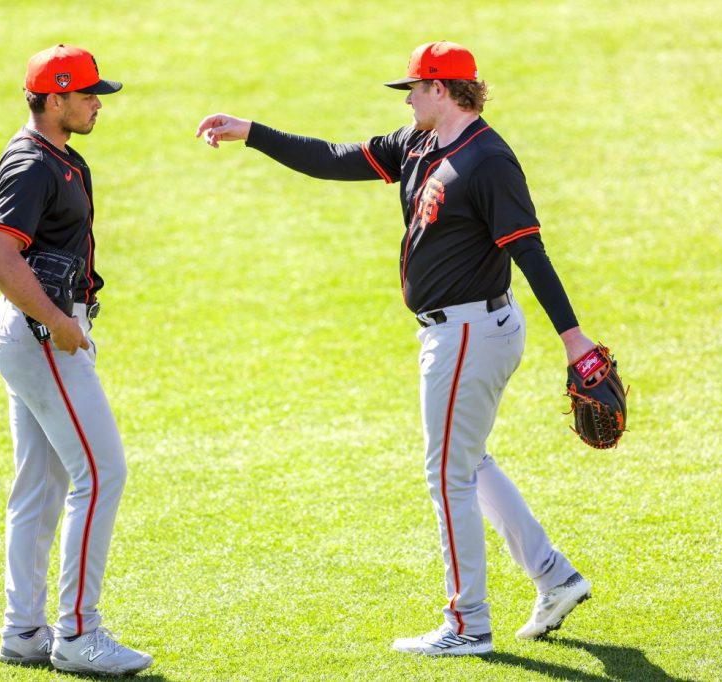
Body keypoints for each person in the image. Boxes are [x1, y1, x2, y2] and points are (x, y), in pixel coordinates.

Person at [196, 41, 595, 656]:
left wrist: (573, 341)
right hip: (456, 331)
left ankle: (468, 624)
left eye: (413, 87)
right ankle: (554, 577)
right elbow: (333, 158)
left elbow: (528, 249)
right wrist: (252, 132)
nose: (407, 97)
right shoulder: (419, 143)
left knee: (448, 476)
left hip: (468, 332)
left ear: (442, 90)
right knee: (468, 462)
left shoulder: (488, 160)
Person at [0, 44, 153, 675]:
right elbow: (0, 257)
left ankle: (23, 631)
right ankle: (78, 634)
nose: (97, 103)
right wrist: (58, 325)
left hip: (30, 332)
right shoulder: (32, 164)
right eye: (87, 95)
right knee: (103, 473)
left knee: (42, 485)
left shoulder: (60, 157)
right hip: (40, 335)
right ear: (54, 99)